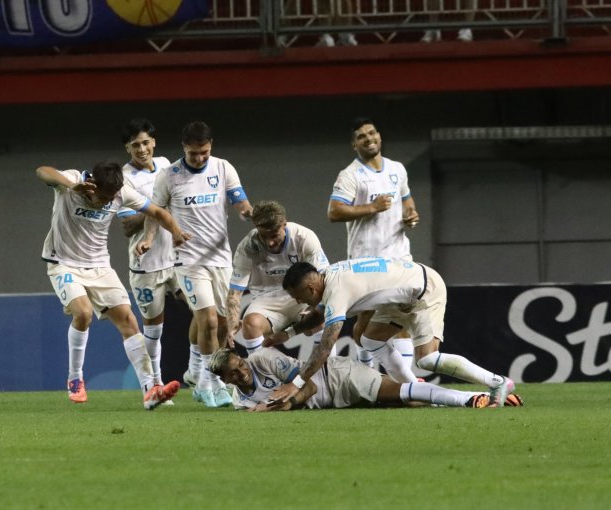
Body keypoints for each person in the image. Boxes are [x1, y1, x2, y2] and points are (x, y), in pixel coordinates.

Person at [38, 160, 187, 409]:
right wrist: (71, 185)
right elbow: (43, 171)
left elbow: (158, 212)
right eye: (105, 196)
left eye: (113, 197)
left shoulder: (121, 193)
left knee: (128, 320)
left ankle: (150, 391)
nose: (109, 202)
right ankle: (75, 378)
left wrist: (176, 231)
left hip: (100, 266)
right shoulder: (74, 180)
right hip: (63, 263)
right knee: (83, 313)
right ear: (93, 184)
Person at [272, 260, 518, 407]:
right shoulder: (330, 275)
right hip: (402, 294)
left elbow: (326, 346)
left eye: (298, 297)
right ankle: (413, 389)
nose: (300, 303)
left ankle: (498, 382)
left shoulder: (337, 292)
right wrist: (289, 332)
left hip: (423, 290)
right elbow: (319, 314)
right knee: (369, 339)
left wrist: (297, 383)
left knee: (427, 359)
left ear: (311, 287)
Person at [139, 121, 253, 408]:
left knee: (224, 324)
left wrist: (249, 213)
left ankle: (195, 371)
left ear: (210, 146)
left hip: (221, 258)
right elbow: (156, 212)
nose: (199, 158)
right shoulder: (169, 176)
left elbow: (239, 200)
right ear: (183, 149)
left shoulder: (223, 168)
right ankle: (209, 383)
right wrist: (149, 239)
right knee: (208, 320)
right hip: (188, 260)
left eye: (203, 152)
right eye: (193, 154)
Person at [328, 117, 420, 383]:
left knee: (399, 320)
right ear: (354, 144)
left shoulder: (397, 169)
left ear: (379, 135)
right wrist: (372, 208)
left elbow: (407, 200)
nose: (369, 139)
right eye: (362, 136)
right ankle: (367, 375)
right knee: (366, 324)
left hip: (399, 258)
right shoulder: (350, 175)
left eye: (372, 133)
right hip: (366, 262)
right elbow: (334, 211)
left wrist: (411, 215)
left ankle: (407, 383)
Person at [208, 347, 522, 411]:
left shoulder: (263, 358)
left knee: (400, 393)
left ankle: (474, 399)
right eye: (233, 373)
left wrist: (282, 406)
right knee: (410, 403)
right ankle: (498, 396)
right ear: (225, 379)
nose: (242, 371)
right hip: (338, 403)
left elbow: (310, 385)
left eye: (240, 364)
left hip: (338, 376)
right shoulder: (242, 401)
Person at [115, 118, 180, 396]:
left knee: (209, 314)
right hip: (147, 264)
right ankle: (155, 384)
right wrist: (156, 208)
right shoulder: (123, 178)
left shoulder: (166, 164)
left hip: (179, 257)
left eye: (145, 143)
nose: (141, 149)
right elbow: (128, 226)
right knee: (154, 329)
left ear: (153, 142)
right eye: (135, 145)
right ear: (128, 148)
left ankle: (205, 377)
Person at [225, 200, 329, 355]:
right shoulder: (248, 246)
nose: (270, 242)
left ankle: (326, 372)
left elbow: (324, 279)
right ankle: (263, 375)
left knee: (320, 318)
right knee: (250, 324)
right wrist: (232, 321)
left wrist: (314, 308)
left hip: (301, 299)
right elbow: (235, 292)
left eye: (274, 235)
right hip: (266, 300)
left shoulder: (304, 238)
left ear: (284, 225)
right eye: (264, 236)